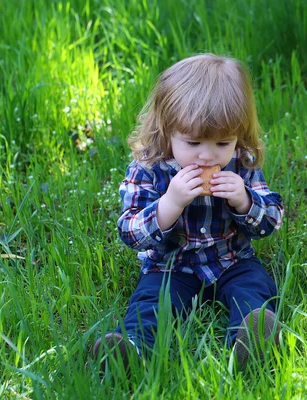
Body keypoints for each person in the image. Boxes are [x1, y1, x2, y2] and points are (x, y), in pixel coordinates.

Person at [93, 53, 284, 371]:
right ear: (167, 130)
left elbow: (272, 219)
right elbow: (129, 231)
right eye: (193, 143)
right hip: (170, 267)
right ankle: (131, 353)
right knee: (152, 305)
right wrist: (169, 204)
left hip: (232, 261)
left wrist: (245, 200)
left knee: (255, 289)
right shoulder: (149, 168)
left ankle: (250, 343)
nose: (208, 156)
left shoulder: (240, 163)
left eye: (223, 143)